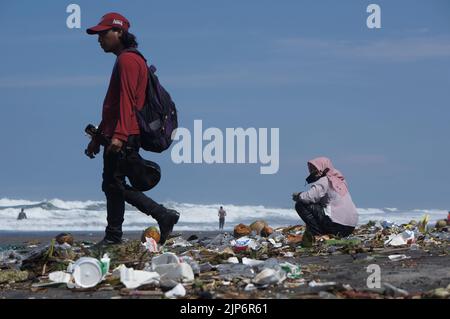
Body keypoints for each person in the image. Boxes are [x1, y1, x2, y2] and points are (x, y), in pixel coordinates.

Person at [85, 13, 179, 245]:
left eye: (103, 33)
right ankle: (120, 233)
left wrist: (119, 135)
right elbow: (114, 107)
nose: (99, 39)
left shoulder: (127, 60)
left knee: (112, 184)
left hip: (125, 134)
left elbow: (128, 101)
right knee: (112, 184)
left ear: (119, 33)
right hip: (120, 132)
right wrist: (98, 137)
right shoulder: (129, 59)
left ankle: (158, 217)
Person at [292, 157, 358, 241]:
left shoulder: (324, 180)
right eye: (311, 169)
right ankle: (322, 233)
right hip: (350, 227)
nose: (312, 172)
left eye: (315, 168)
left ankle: (317, 234)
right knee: (317, 206)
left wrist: (298, 195)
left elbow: (309, 197)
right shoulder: (340, 181)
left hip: (336, 226)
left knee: (300, 205)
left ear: (323, 168)